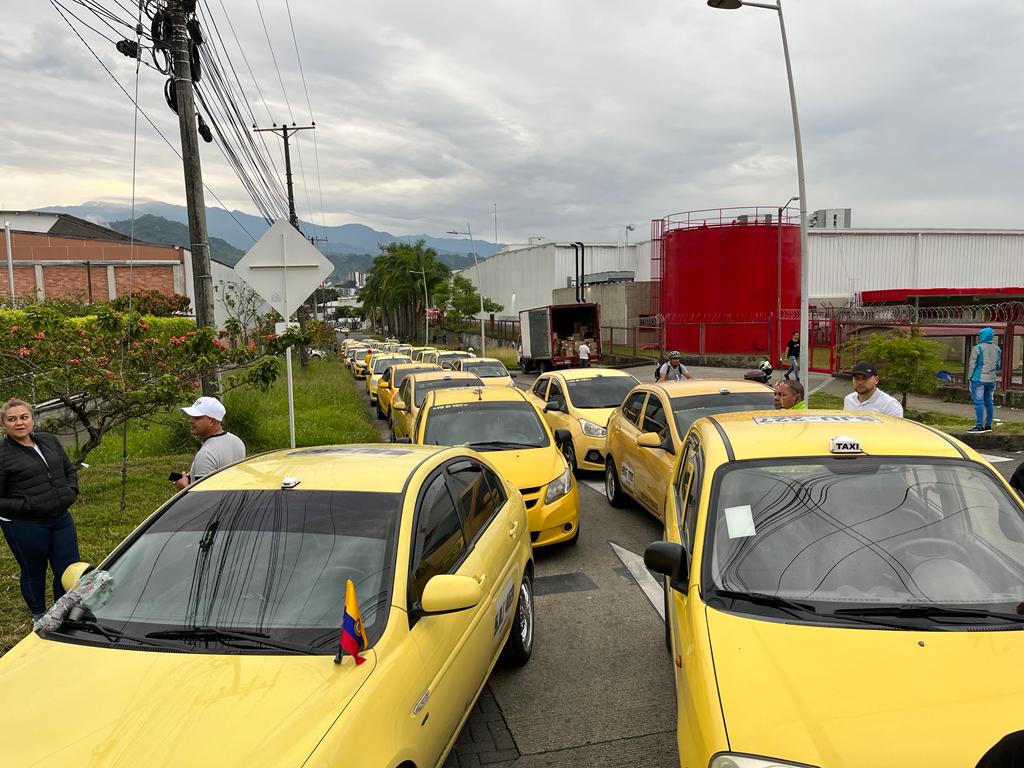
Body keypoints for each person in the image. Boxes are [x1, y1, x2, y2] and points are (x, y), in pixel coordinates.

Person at [0, 398, 81, 620]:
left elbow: (68, 469)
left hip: (60, 518)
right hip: (24, 524)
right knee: (34, 571)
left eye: (24, 417)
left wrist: (70, 491)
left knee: (68, 568)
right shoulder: (2, 454)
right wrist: (27, 506)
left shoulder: (48, 440)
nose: (19, 423)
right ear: (3, 423)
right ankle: (39, 616)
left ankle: (61, 612)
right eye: (12, 419)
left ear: (32, 419)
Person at [173, 396, 246, 489]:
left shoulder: (206, 454)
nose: (190, 421)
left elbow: (203, 499)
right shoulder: (237, 441)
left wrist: (184, 485)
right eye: (191, 416)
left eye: (197, 417)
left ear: (212, 421)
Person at [968, 327, 1002, 434]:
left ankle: (979, 426)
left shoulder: (977, 348)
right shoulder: (997, 349)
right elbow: (998, 365)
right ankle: (988, 425)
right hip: (991, 380)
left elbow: (972, 365)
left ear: (982, 336)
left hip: (978, 379)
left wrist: (969, 378)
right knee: (989, 402)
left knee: (978, 402)